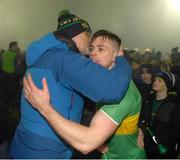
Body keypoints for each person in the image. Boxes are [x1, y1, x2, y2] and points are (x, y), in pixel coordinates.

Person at [9, 10, 132, 159]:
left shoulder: (44, 55)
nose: (90, 41)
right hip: (48, 151)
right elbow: (113, 89)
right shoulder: (66, 59)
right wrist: (121, 59)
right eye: (88, 35)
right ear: (79, 34)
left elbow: (69, 101)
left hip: (25, 142)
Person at [23, 30, 146, 159]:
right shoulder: (98, 83)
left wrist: (44, 107)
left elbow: (86, 143)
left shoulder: (121, 91)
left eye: (101, 49)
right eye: (91, 48)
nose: (93, 53)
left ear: (116, 55)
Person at [139, 71, 180, 158]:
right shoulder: (148, 100)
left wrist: (162, 138)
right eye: (155, 80)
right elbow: (142, 119)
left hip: (166, 150)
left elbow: (176, 130)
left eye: (160, 81)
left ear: (167, 85)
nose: (155, 82)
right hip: (147, 147)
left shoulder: (174, 105)